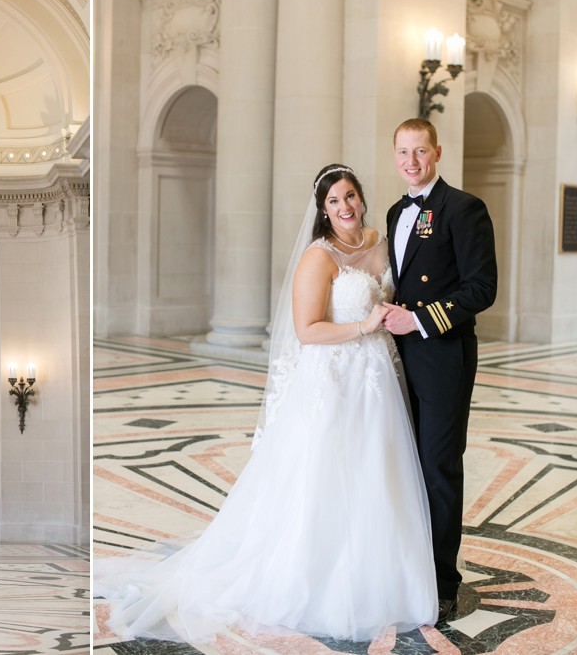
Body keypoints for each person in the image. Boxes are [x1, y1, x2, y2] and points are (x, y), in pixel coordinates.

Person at [95, 165, 436, 644]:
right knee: (327, 478)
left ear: (362, 197)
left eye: (350, 197)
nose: (345, 208)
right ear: (322, 210)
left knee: (377, 472)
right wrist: (365, 326)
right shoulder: (319, 258)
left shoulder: (381, 242)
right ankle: (322, 578)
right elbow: (307, 330)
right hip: (334, 380)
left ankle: (382, 572)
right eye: (334, 201)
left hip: (378, 378)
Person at [382, 118, 497, 623]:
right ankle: (407, 570)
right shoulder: (392, 212)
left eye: (421, 152)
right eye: (404, 152)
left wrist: (420, 319)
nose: (412, 161)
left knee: (438, 469)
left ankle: (442, 582)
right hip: (396, 360)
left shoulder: (464, 208)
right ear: (395, 156)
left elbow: (481, 288)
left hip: (443, 356)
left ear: (438, 153)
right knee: (402, 468)